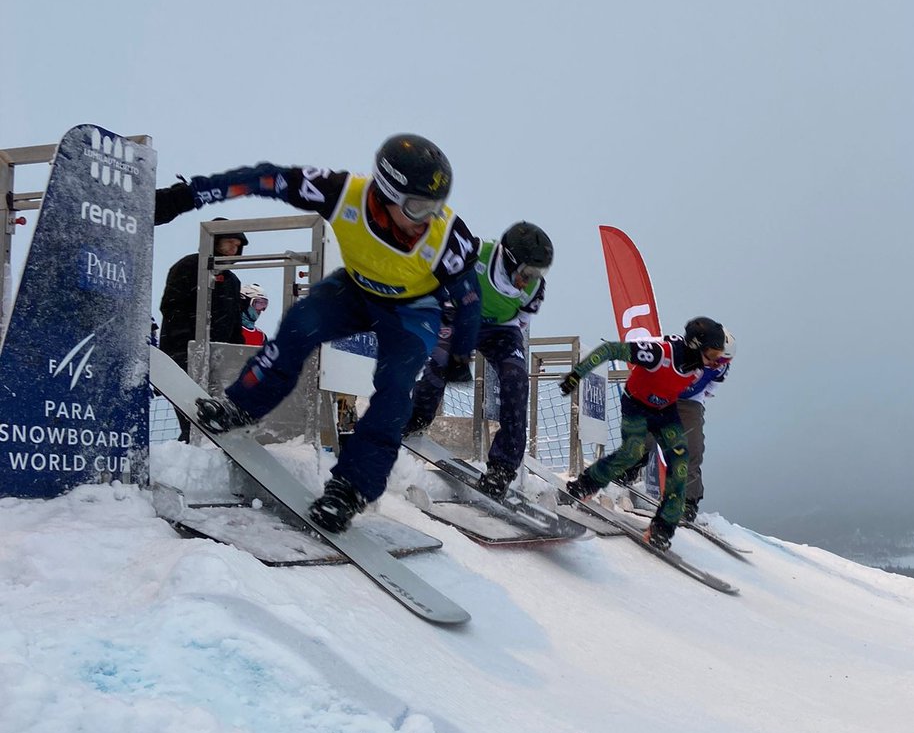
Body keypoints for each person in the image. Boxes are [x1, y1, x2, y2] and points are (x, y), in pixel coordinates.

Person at [153, 134, 482, 531]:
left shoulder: (449, 238)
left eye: (436, 207)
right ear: (385, 190)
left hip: (414, 311)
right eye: (416, 207)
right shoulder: (342, 193)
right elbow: (265, 179)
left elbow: (468, 299)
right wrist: (187, 195)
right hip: (357, 290)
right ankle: (244, 405)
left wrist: (460, 357)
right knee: (299, 324)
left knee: (395, 386)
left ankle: (351, 488)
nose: (426, 218)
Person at [404, 221, 554, 500]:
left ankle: (502, 468)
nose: (530, 279)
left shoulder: (535, 289)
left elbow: (521, 320)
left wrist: (504, 351)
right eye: (527, 272)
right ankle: (416, 416)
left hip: (502, 329)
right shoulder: (475, 254)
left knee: (516, 380)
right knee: (440, 364)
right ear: (510, 259)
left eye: (537, 273)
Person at [558, 317, 727, 551]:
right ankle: (584, 485)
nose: (715, 361)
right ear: (696, 345)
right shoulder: (660, 353)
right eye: (712, 354)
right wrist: (577, 374)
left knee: (680, 463)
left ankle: (662, 529)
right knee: (633, 451)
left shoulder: (702, 366)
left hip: (665, 410)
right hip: (637, 404)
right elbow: (611, 350)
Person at [622, 327, 735, 524]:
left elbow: (711, 387)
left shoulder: (720, 369)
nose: (718, 363)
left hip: (690, 400)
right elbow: (642, 345)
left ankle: (688, 500)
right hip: (660, 392)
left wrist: (697, 400)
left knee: (692, 446)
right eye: (717, 358)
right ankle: (627, 468)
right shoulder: (675, 346)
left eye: (724, 361)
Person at [158, 220, 248, 442]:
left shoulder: (232, 281)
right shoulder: (187, 267)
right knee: (191, 414)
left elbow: (235, 323)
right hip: (184, 355)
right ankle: (188, 459)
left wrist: (239, 356)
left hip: (219, 359)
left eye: (237, 245)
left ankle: (197, 458)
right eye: (228, 243)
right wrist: (184, 349)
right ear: (214, 241)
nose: (232, 249)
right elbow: (171, 308)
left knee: (213, 418)